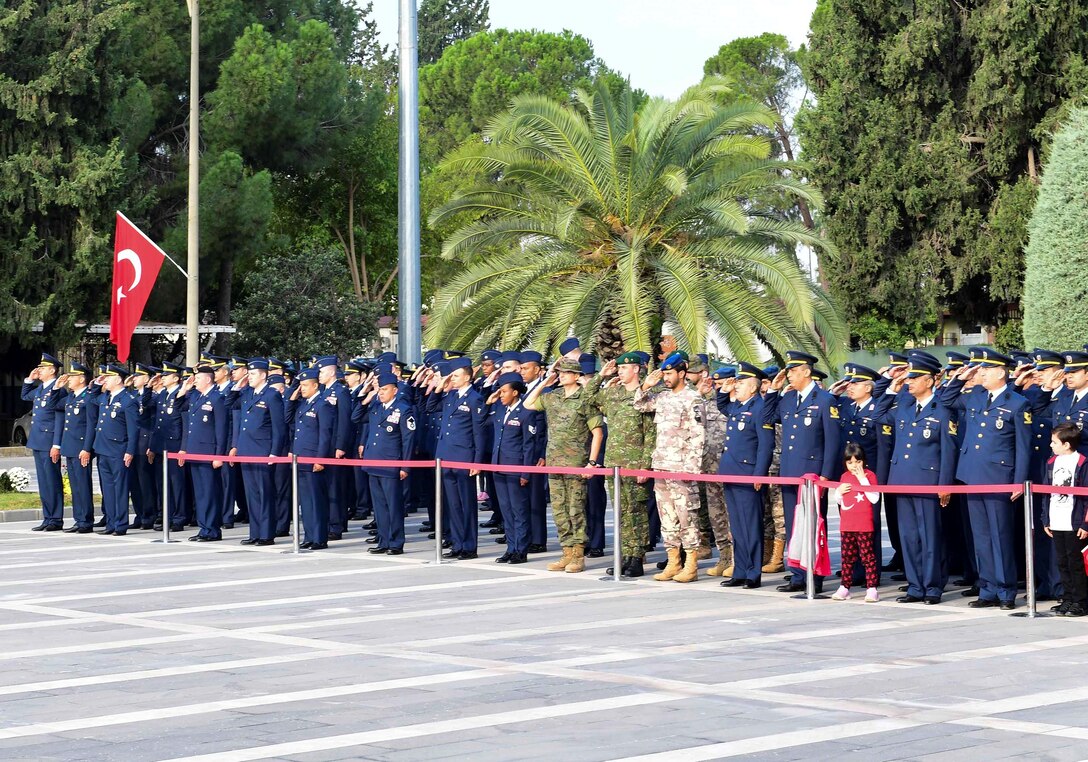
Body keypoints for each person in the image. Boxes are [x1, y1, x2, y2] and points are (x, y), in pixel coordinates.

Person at [940, 348, 1030, 610]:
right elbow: (945, 399)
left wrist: (1019, 481)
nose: (981, 373)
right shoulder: (976, 396)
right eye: (979, 369)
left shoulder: (1017, 403)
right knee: (980, 537)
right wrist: (960, 377)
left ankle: (1005, 592)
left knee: (1000, 536)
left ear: (1001, 373)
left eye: (986, 370)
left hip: (999, 477)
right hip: (971, 475)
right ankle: (987, 588)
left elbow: (1022, 447)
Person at [763, 350, 841, 594]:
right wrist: (773, 391)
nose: (790, 377)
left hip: (813, 474)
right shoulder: (787, 399)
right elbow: (767, 417)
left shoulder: (825, 399)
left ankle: (814, 575)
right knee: (793, 524)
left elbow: (833, 441)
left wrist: (826, 474)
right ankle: (797, 574)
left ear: (807, 372)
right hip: (789, 472)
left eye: (794, 372)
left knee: (814, 526)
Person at [883, 355, 956, 604]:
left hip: (928, 482)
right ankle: (914, 585)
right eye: (908, 377)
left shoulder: (943, 410)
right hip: (902, 480)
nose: (909, 382)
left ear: (930, 380)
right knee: (909, 537)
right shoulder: (904, 407)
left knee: (930, 537)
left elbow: (948, 450)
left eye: (914, 378)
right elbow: (880, 412)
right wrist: (891, 384)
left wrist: (945, 484)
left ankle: (933, 586)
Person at [525, 357, 604, 573]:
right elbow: (528, 404)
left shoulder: (584, 399)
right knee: (559, 510)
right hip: (555, 462)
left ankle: (578, 554)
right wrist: (544, 382)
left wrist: (592, 462)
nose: (561, 375)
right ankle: (566, 553)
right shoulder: (553, 397)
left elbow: (597, 432)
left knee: (575, 509)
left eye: (566, 372)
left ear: (577, 376)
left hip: (576, 464)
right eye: (559, 372)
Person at [634, 352, 707, 583]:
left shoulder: (693, 399)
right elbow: (639, 404)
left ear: (682, 373)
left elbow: (698, 436)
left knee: (687, 518)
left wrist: (692, 468)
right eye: (664, 373)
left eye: (669, 373)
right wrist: (646, 384)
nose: (665, 378)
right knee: (667, 518)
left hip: (682, 469)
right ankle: (673, 562)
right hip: (662, 466)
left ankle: (691, 564)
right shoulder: (662, 397)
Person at [586, 353, 655, 578]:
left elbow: (650, 433)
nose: (620, 372)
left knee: (636, 511)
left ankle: (637, 558)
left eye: (624, 368)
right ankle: (625, 555)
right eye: (619, 369)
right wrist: (600, 376)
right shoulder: (613, 393)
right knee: (621, 512)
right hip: (614, 462)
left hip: (635, 463)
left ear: (636, 370)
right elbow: (587, 398)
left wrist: (646, 465)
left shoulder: (644, 395)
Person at [714, 362, 774, 589]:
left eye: (740, 383)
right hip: (731, 473)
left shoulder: (761, 407)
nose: (735, 386)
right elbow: (722, 405)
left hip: (749, 475)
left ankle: (752, 573)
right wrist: (723, 389)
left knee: (751, 526)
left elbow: (765, 446)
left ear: (753, 387)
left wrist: (759, 474)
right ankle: (739, 570)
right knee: (737, 526)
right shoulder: (737, 407)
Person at [433, 357, 487, 560]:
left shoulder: (475, 399)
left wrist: (477, 461)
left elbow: (478, 433)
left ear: (467, 376)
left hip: (464, 457)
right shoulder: (450, 396)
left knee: (466, 504)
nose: (452, 379)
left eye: (455, 375)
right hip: (445, 456)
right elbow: (430, 405)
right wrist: (441, 385)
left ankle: (469, 546)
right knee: (453, 504)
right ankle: (457, 543)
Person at [229, 358, 286, 547]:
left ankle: (266, 534)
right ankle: (255, 532)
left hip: (263, 451)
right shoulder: (247, 393)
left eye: (252, 374)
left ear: (263, 375)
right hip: (247, 450)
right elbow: (229, 403)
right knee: (251, 495)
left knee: (265, 494)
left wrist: (275, 452)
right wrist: (238, 384)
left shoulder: (272, 395)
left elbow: (279, 427)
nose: (249, 377)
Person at [360, 370, 417, 555]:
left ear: (395, 390)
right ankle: (383, 540)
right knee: (379, 507)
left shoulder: (403, 409)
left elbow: (408, 440)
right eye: (380, 389)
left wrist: (405, 466)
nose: (381, 393)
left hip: (391, 464)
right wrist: (366, 394)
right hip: (374, 462)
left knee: (393, 507)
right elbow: (355, 417)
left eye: (384, 389)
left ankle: (396, 542)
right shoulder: (376, 407)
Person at [488, 371, 537, 564]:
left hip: (516, 469)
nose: (501, 395)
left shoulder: (526, 412)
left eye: (503, 392)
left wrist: (526, 472)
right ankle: (511, 547)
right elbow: (483, 422)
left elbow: (529, 445)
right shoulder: (500, 410)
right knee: (506, 510)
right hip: (499, 466)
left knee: (519, 511)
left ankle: (521, 549)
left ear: (515, 392)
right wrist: (488, 402)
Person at [1040, 423, 1088, 616]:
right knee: (1062, 561)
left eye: (1054, 442)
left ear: (1067, 444)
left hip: (1074, 521)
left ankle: (1081, 601)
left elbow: (1086, 496)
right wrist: (1045, 519)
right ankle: (1067, 598)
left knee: (1075, 562)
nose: (1051, 445)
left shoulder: (1082, 463)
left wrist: (1085, 523)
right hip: (1057, 518)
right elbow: (1046, 493)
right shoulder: (1052, 462)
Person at [177, 365, 228, 541]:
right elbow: (179, 408)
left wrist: (218, 455)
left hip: (209, 452)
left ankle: (212, 529)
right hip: (195, 451)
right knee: (200, 493)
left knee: (209, 492)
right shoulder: (196, 397)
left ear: (207, 379)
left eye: (198, 378)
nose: (195, 380)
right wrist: (184, 388)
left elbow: (222, 429)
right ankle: (203, 528)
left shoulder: (217, 398)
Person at [21, 352, 67, 531]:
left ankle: (56, 519)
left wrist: (57, 444)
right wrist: (29, 380)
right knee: (43, 481)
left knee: (52, 480)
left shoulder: (58, 389)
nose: (38, 370)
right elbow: (25, 396)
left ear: (52, 370)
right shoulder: (41, 388)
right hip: (38, 440)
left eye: (42, 368)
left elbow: (59, 419)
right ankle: (48, 517)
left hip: (49, 441)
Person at [92, 365, 139, 535]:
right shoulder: (105, 397)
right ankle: (111, 523)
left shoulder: (128, 400)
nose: (105, 380)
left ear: (118, 379)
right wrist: (97, 384)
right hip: (102, 449)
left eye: (108, 377)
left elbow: (133, 430)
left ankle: (120, 524)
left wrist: (130, 451)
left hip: (118, 450)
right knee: (108, 489)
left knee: (120, 489)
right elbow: (92, 399)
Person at [289, 367, 334, 550]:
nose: (302, 388)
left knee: (317, 501)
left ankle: (319, 538)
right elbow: (288, 419)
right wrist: (292, 398)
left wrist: (320, 459)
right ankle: (309, 535)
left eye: (306, 385)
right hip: (301, 459)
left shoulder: (323, 405)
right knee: (305, 502)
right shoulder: (302, 404)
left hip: (314, 458)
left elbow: (325, 435)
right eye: (301, 385)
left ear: (315, 386)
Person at [831, 443, 881, 602]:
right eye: (850, 462)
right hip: (847, 525)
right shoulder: (844, 477)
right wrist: (839, 492)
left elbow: (875, 498)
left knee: (868, 557)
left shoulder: (870, 475)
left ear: (863, 461)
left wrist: (862, 479)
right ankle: (844, 587)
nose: (854, 466)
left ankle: (872, 588)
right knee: (847, 557)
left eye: (857, 462)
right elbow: (839, 500)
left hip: (864, 525)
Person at [149, 361, 188, 531]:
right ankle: (167, 516)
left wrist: (183, 448)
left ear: (176, 378)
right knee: (162, 483)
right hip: (160, 445)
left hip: (174, 445)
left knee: (176, 483)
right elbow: (149, 410)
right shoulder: (162, 394)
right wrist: (150, 387)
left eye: (166, 376)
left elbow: (185, 424)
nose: (162, 378)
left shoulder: (182, 395)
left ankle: (179, 518)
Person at [60, 361, 97, 533]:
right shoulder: (71, 397)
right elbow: (53, 405)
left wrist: (87, 448)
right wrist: (56, 387)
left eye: (72, 377)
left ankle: (86, 521)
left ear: (82, 379)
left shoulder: (88, 398)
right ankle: (78, 519)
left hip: (81, 448)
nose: (68, 379)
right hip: (70, 447)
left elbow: (91, 425)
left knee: (83, 485)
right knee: (75, 486)